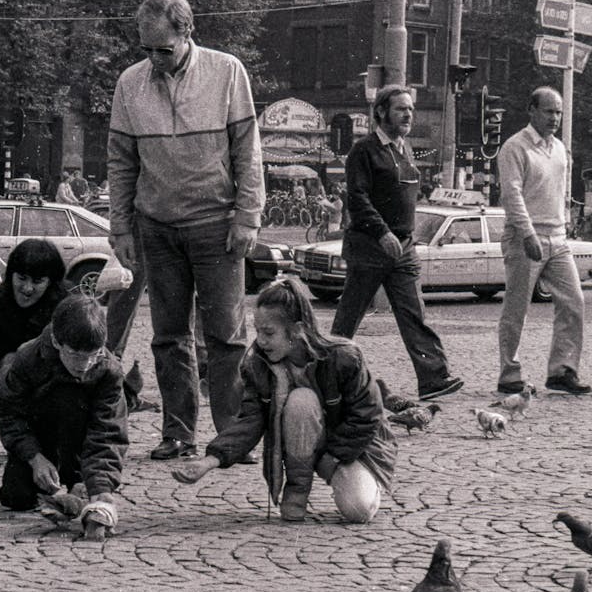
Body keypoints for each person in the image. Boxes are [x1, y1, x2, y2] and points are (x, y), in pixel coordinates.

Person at [107, 0, 265, 460]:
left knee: (226, 336)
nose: (155, 60)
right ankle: (177, 433)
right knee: (168, 335)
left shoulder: (227, 71)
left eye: (164, 49)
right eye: (146, 50)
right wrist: (120, 230)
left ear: (187, 33)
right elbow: (121, 162)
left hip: (217, 225)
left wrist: (247, 217)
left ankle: (232, 435)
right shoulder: (129, 84)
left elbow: (247, 151)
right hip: (156, 226)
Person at [171, 279, 398, 524]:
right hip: (310, 444)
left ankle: (356, 479)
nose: (260, 341)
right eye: (257, 330)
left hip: (353, 449)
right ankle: (297, 490)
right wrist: (209, 461)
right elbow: (250, 421)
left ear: (298, 330)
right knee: (302, 401)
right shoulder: (259, 366)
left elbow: (368, 416)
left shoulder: (344, 357)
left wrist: (332, 457)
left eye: (269, 333)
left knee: (358, 510)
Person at [331, 84, 462, 402]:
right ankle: (327, 373)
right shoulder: (364, 150)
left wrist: (402, 237)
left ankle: (433, 377)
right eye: (401, 109)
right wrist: (382, 233)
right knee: (351, 314)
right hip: (370, 245)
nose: (408, 115)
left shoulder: (404, 149)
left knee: (413, 310)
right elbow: (358, 199)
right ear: (381, 112)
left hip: (403, 247)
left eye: (411, 109)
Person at [0, 294, 128, 511]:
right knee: (17, 496)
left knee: (87, 493)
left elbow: (108, 432)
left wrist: (100, 486)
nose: (85, 365)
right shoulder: (28, 358)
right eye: (75, 355)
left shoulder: (109, 370)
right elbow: (5, 409)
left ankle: (79, 478)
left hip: (82, 446)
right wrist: (34, 457)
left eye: (94, 355)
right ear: (56, 341)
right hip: (38, 440)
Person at [495, 87, 590, 395]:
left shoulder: (560, 149)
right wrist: (527, 234)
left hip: (557, 237)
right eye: (549, 111)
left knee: (573, 301)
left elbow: (559, 193)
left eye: (559, 112)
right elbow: (512, 195)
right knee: (517, 307)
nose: (555, 118)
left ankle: (562, 370)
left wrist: (565, 225)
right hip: (526, 237)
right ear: (531, 110)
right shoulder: (515, 148)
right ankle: (510, 374)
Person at [0, 238, 68, 376]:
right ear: (11, 275)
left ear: (50, 282)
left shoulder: (65, 308)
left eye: (37, 281)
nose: (27, 288)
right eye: (21, 278)